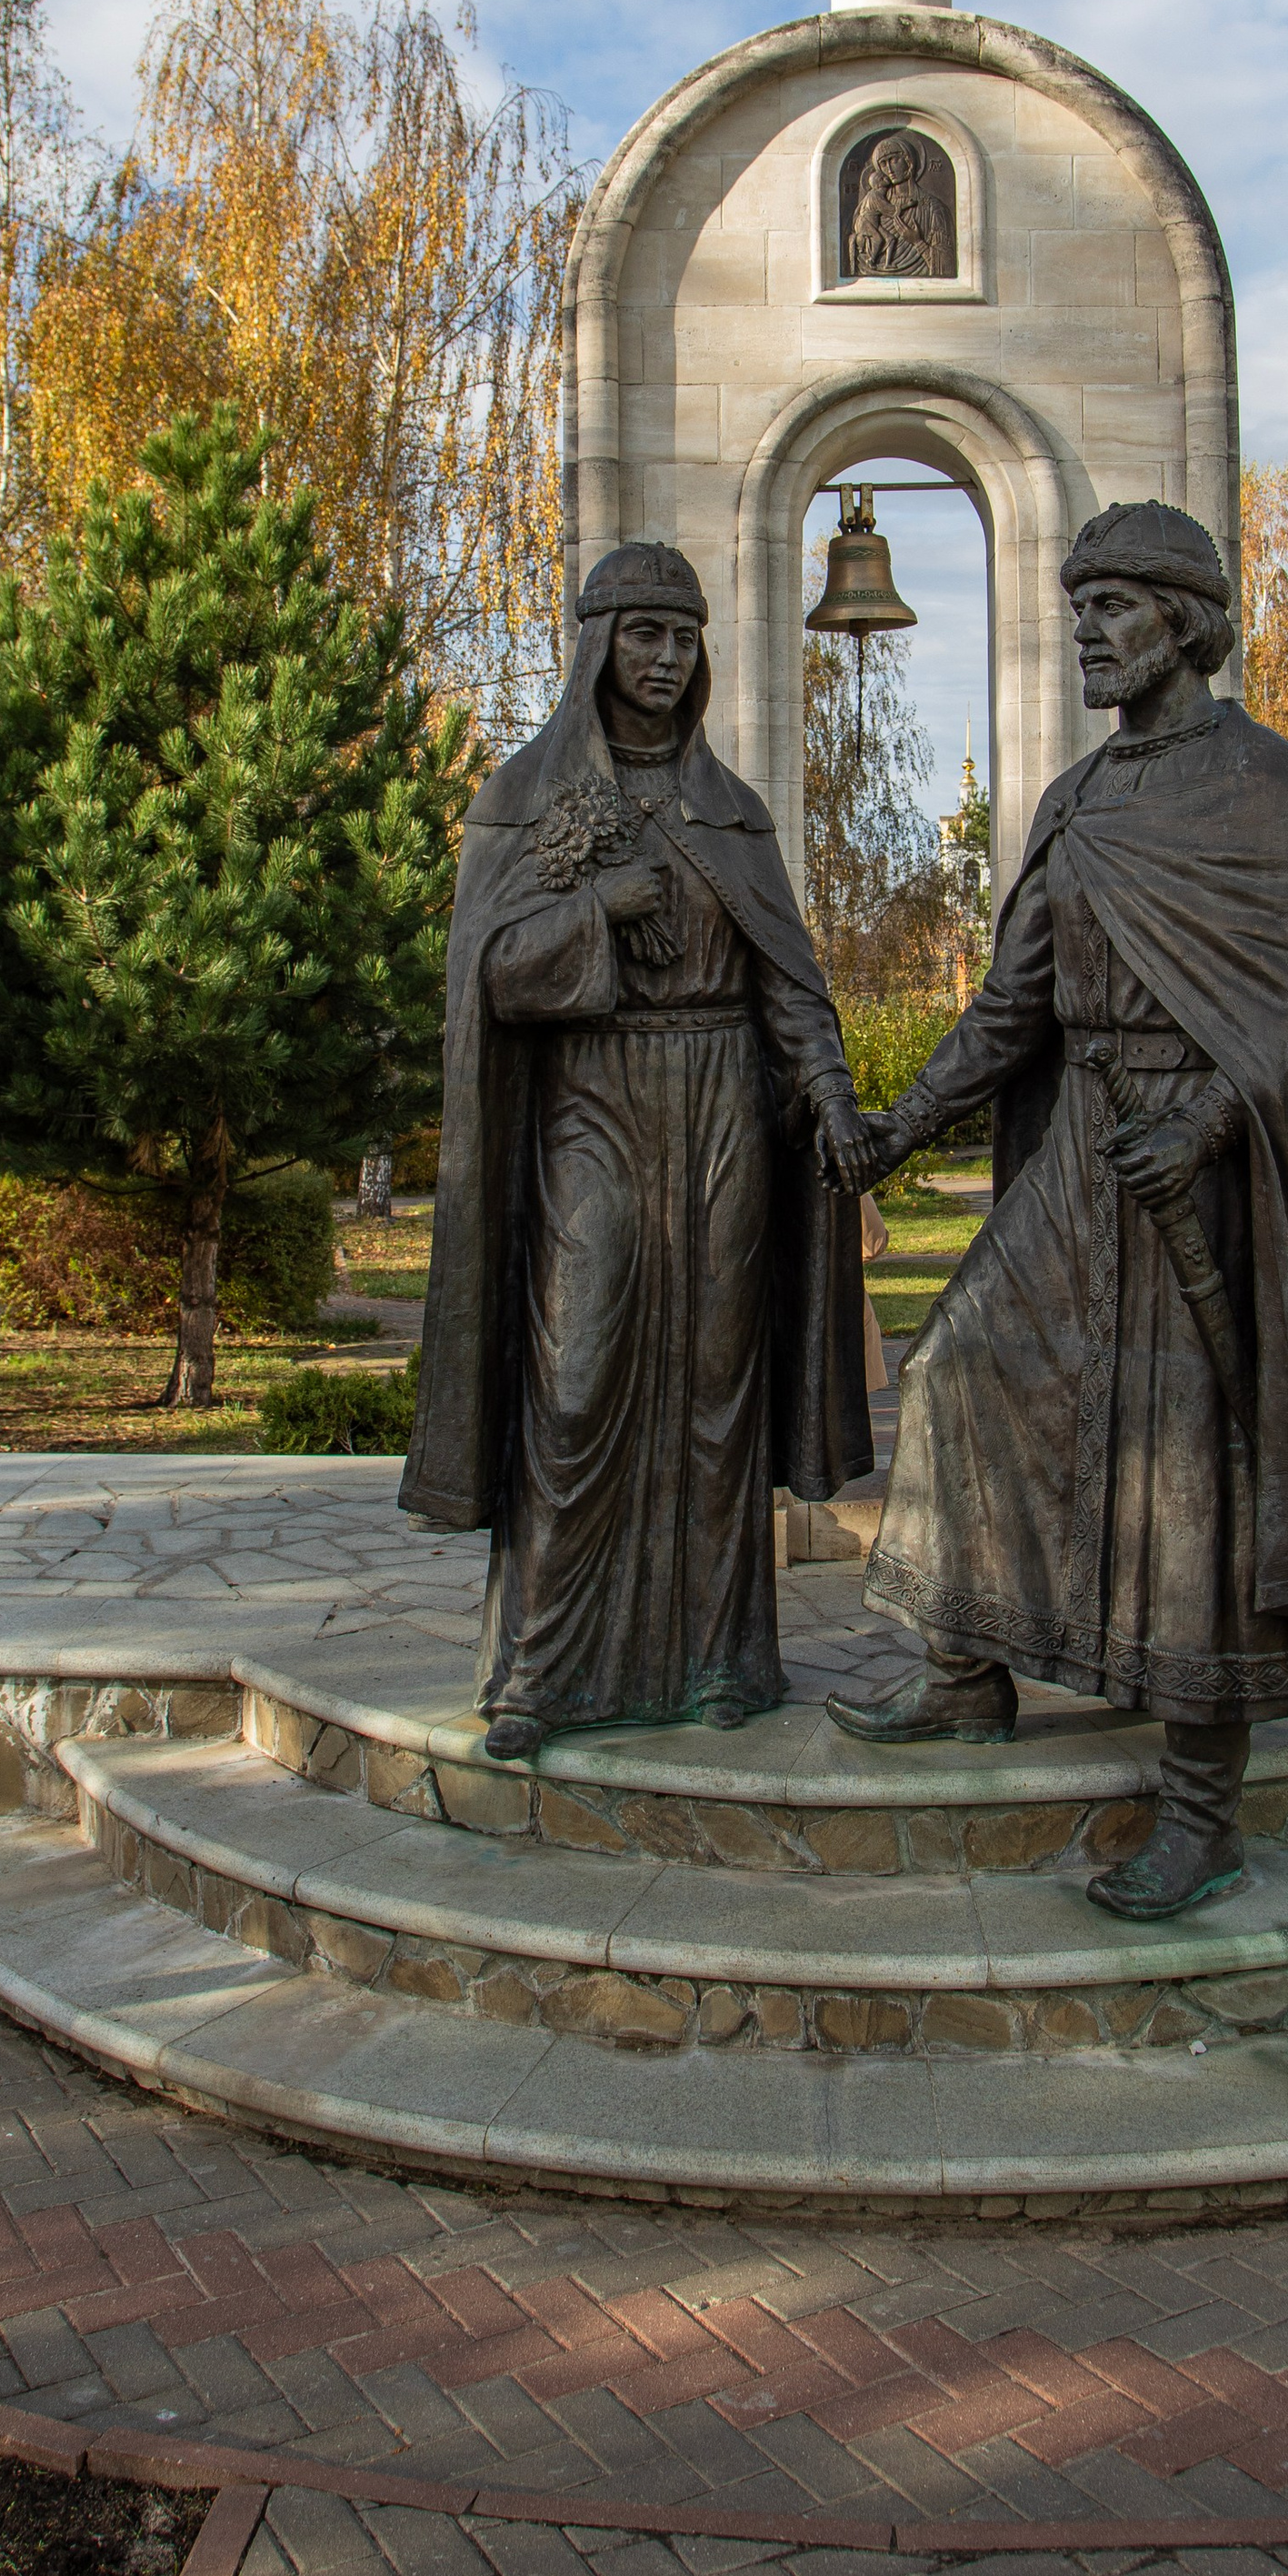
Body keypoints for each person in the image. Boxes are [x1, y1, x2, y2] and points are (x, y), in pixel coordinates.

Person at [829, 499, 1288, 1918]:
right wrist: (898, 1125)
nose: (1085, 631)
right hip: (1089, 1146)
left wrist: (1209, 1118)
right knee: (962, 1366)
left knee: (1191, 1463)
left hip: (1207, 1166)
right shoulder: (1081, 801)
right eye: (1077, 605)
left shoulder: (1271, 790)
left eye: (1112, 605)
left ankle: (1202, 1807)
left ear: (1185, 618)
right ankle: (967, 1671)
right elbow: (1012, 1007)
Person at [402, 543, 875, 1759]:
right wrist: (594, 911)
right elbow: (493, 980)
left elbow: (788, 979)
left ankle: (721, 1657)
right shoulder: (528, 797)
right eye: (644, 633)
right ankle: (541, 1669)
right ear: (597, 644)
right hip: (593, 1104)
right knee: (576, 1380)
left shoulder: (733, 809)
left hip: (723, 1106)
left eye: (684, 636)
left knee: (720, 1383)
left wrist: (828, 1087)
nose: (665, 657)